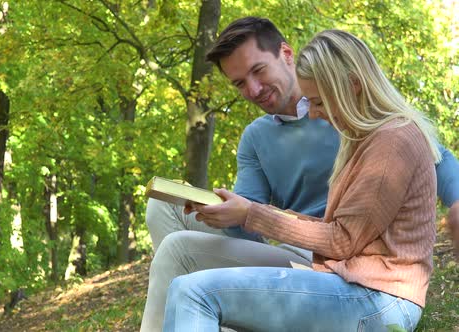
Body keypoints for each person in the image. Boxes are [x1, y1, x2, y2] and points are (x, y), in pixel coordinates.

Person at [140, 17, 459, 331]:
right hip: (311, 252)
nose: (252, 89)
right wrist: (225, 212)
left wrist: (457, 202)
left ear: (286, 54)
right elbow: (253, 220)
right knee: (172, 238)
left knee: (197, 291)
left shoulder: (367, 124)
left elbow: (433, 156)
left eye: (257, 70)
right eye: (239, 83)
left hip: (358, 274)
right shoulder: (258, 137)